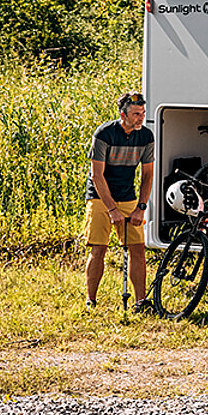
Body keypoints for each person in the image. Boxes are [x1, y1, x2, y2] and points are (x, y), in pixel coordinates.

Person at [84, 91, 155, 312]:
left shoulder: (145, 137)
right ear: (122, 114)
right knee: (99, 248)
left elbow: (148, 176)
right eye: (135, 114)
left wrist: (141, 208)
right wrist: (111, 209)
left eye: (142, 113)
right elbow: (97, 176)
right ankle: (91, 301)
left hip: (127, 196)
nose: (140, 118)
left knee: (137, 249)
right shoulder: (105, 134)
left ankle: (140, 302)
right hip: (100, 196)